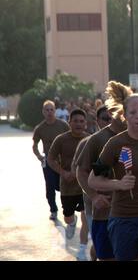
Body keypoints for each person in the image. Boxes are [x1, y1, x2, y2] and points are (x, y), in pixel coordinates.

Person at [88, 92, 138, 261]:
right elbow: (93, 180)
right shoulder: (115, 143)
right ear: (124, 116)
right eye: (133, 112)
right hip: (123, 218)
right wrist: (118, 184)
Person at [76, 81, 131, 261]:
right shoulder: (98, 140)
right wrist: (94, 196)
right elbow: (82, 172)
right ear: (112, 111)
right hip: (106, 213)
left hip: (135, 213)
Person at [48, 108, 90, 259]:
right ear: (69, 122)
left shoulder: (90, 139)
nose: (78, 124)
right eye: (75, 121)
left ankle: (82, 249)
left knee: (86, 217)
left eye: (81, 121)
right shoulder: (61, 139)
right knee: (68, 216)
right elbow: (51, 159)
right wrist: (63, 172)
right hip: (67, 186)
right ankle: (72, 223)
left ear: (85, 123)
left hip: (85, 187)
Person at [72, 105, 112, 261]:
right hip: (95, 206)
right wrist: (94, 194)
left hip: (119, 205)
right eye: (105, 119)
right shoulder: (89, 142)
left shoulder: (124, 141)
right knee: (99, 247)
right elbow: (78, 170)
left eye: (112, 118)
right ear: (97, 121)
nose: (109, 122)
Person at [32, 100, 69, 220]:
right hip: (48, 161)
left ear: (55, 111)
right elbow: (35, 145)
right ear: (43, 112)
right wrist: (39, 156)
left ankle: (67, 209)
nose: (49, 112)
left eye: (51, 109)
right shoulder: (40, 128)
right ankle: (53, 209)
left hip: (62, 160)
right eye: (47, 110)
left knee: (62, 186)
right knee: (50, 186)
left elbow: (72, 138)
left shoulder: (63, 125)